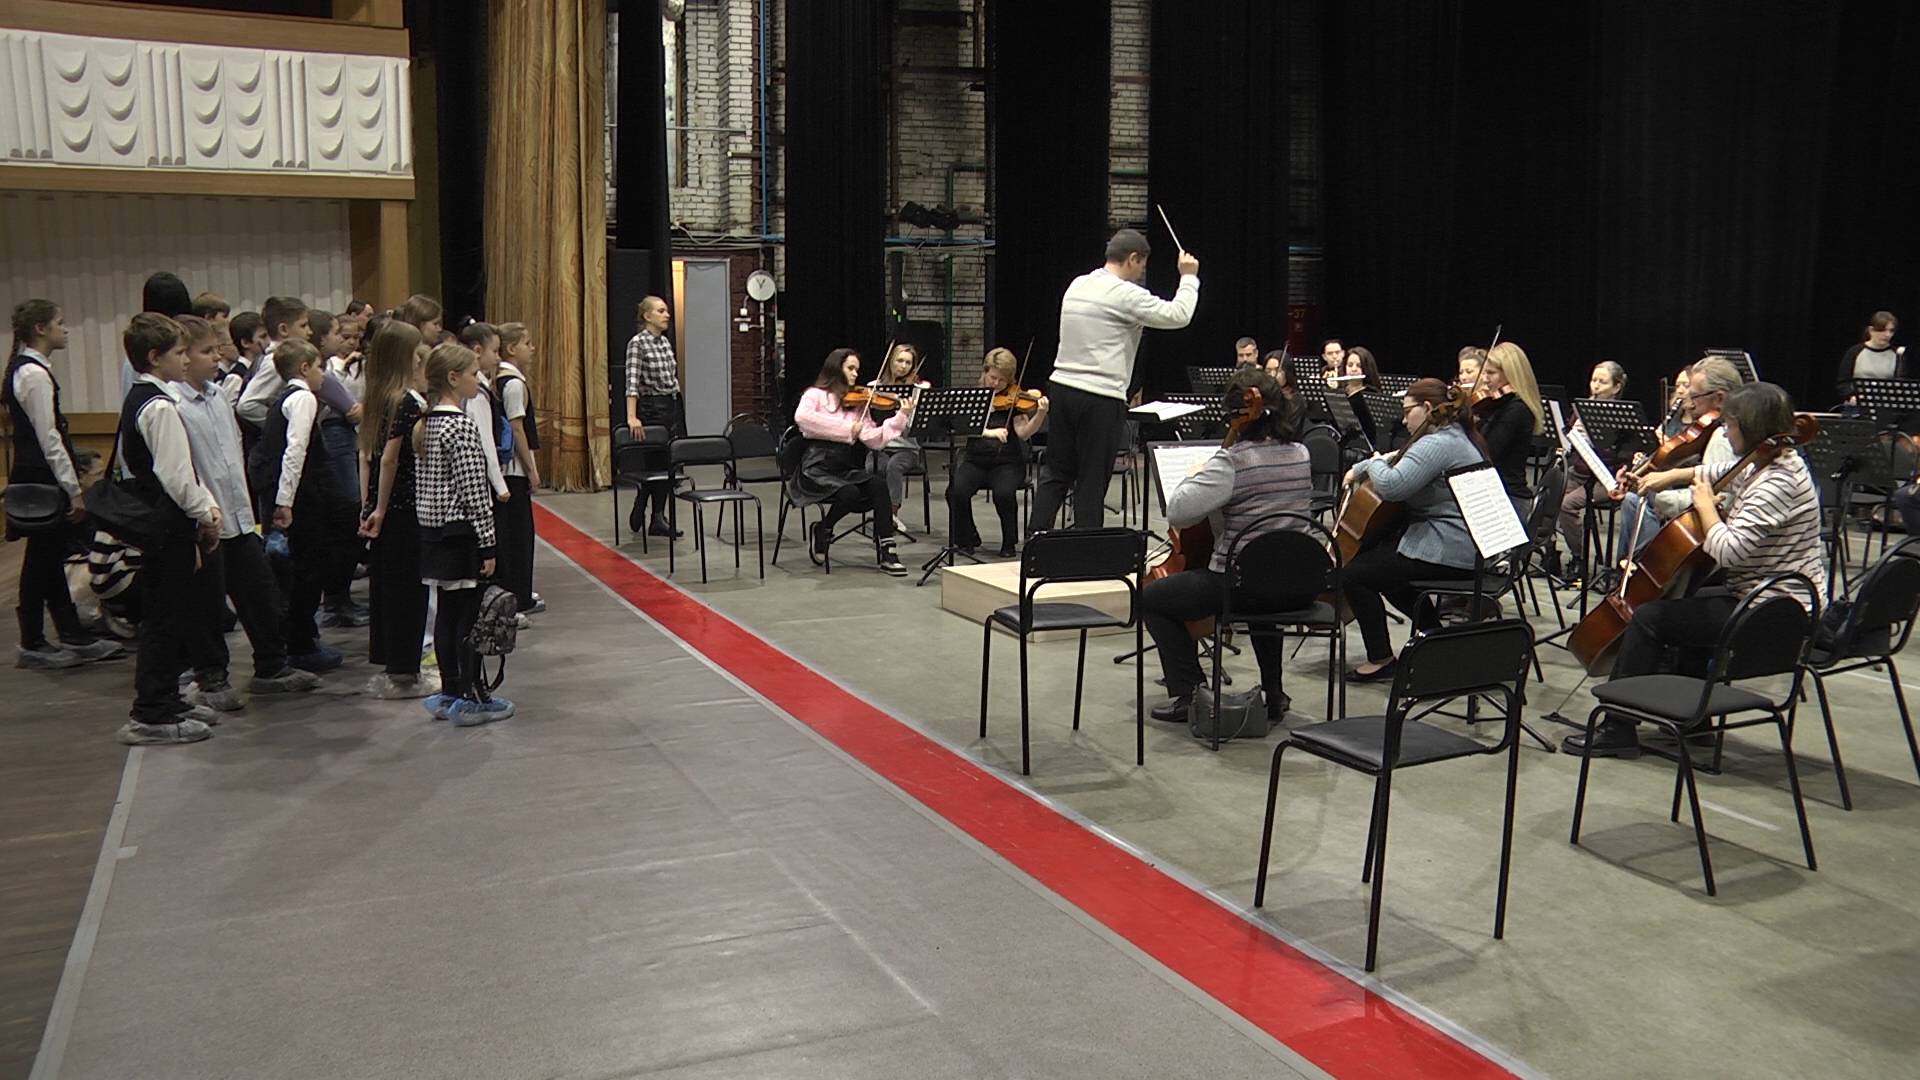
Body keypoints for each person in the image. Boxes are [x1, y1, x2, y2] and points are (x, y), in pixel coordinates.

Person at [1567, 382, 1825, 757]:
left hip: (1775, 611)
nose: (1725, 433)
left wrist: (1704, 506)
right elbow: (1721, 469)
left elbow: (1729, 552)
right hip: (1767, 596)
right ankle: (1694, 721)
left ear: (1751, 430)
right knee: (1690, 597)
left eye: (1730, 426)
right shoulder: (1771, 460)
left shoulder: (1777, 483)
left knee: (1650, 618)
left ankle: (1617, 727)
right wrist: (1666, 476)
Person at [1144, 367, 1316, 723]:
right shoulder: (1301, 454)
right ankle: (1273, 692)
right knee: (1267, 579)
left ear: (1236, 414)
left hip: (1242, 587)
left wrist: (1198, 473)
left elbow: (1178, 511)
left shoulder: (1232, 462)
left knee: (1152, 597)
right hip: (1298, 585)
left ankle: (1189, 694)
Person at [170, 315, 321, 709]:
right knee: (207, 604)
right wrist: (203, 509)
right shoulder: (173, 404)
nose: (216, 356)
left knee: (261, 593)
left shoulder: (219, 396)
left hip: (238, 514)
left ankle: (272, 665)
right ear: (183, 356)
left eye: (216, 348)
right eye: (205, 351)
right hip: (207, 518)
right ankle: (211, 677)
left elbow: (233, 452)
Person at [1028, 229, 1199, 534]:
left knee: (1056, 473)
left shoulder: (1078, 284)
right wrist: (1188, 277)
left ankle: (1035, 545)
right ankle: (1085, 549)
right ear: (1132, 259)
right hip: (1100, 397)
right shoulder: (1125, 294)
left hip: (1062, 389)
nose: (1141, 272)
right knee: (1091, 479)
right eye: (1142, 265)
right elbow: (1179, 315)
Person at [115, 313, 223, 745]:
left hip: (164, 522)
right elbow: (177, 476)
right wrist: (206, 514)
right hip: (167, 524)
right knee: (163, 618)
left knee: (174, 614)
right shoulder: (158, 407)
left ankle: (167, 698)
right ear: (155, 357)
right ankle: (152, 711)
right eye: (179, 353)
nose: (186, 359)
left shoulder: (145, 397)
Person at [1340, 378, 1486, 681]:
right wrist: (1372, 464)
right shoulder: (1454, 435)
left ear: (1427, 408)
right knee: (1384, 570)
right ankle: (1434, 639)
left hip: (1450, 548)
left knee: (1355, 574)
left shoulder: (1437, 444)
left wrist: (1371, 463)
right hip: (1466, 544)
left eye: (1408, 412)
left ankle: (1381, 658)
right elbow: (1401, 459)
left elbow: (1393, 486)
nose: (1404, 420)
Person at [5, 299, 124, 669]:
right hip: (43, 479)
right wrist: (73, 488)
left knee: (48, 556)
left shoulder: (30, 370)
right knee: (40, 561)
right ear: (40, 329)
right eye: (59, 322)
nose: (65, 329)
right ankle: (32, 640)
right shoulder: (33, 374)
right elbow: (49, 437)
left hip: (38, 476)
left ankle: (70, 631)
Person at [412, 343, 512, 726]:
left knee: (447, 615)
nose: (478, 380)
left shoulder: (427, 423)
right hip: (460, 534)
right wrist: (488, 543)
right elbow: (474, 493)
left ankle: (450, 690)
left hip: (433, 533)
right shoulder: (460, 426)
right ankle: (471, 694)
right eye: (472, 374)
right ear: (453, 378)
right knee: (469, 619)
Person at [249, 338, 355, 673]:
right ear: (304, 368)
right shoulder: (303, 399)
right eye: (320, 367)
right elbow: (295, 451)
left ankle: (298, 637)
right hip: (302, 497)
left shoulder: (285, 398)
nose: (324, 374)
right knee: (307, 570)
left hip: (291, 493)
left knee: (297, 570)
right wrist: (286, 501)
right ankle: (301, 644)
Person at [357, 320, 439, 699]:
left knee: (388, 587)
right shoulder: (406, 402)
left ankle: (394, 663)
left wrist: (369, 505)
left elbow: (366, 457)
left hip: (383, 507)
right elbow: (389, 459)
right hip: (404, 508)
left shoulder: (377, 398)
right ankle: (405, 671)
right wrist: (382, 507)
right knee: (408, 590)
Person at [793, 349, 919, 575]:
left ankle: (887, 550)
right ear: (835, 368)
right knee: (849, 493)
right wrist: (847, 428)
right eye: (850, 368)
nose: (855, 374)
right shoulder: (815, 395)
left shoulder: (858, 403)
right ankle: (824, 529)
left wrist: (901, 416)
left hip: (843, 465)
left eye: (857, 370)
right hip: (816, 466)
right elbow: (803, 418)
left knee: (878, 485)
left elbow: (873, 439)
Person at [1612, 357, 1740, 562]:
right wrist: (1643, 476)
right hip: (1702, 530)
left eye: (1694, 395)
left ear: (1719, 398)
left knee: (1639, 502)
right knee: (1633, 502)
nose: (1688, 400)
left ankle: (1639, 563)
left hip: (1710, 547)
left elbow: (1718, 501)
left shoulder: (1722, 438)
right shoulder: (1711, 429)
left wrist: (1658, 495)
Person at [948, 348, 1049, 557]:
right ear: (985, 372)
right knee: (955, 491)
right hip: (975, 460)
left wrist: (1040, 414)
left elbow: (1023, 433)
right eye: (992, 377)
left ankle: (1009, 542)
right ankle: (967, 537)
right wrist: (990, 432)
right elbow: (963, 427)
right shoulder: (973, 397)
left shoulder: (1015, 399)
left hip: (1007, 462)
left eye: (1002, 380)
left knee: (1003, 493)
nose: (995, 383)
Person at [1555, 360, 1627, 580]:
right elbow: (1567, 438)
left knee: (1566, 505)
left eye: (1602, 382)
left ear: (1616, 387)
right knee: (1548, 498)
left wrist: (1591, 441)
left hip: (1606, 479)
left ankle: (1579, 559)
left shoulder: (1621, 416)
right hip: (1579, 472)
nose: (1595, 386)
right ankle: (1551, 554)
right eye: (1593, 380)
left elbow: (1623, 455)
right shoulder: (1581, 409)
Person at [623, 295, 684, 538]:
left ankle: (657, 515)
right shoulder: (637, 344)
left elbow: (671, 378)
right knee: (655, 463)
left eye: (666, 310)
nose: (666, 315)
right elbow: (631, 382)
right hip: (652, 407)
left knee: (670, 463)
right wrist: (632, 416)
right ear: (647, 316)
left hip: (671, 405)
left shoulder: (665, 343)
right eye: (660, 311)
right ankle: (647, 506)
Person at [494, 322, 543, 614]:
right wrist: (531, 469)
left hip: (507, 469)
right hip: (512, 470)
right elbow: (517, 428)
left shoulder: (502, 380)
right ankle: (519, 596)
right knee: (519, 536)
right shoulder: (512, 383)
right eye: (527, 343)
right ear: (512, 349)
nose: (532, 348)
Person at [1475, 341, 1546, 512]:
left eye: (1491, 373)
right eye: (1484, 372)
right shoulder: (1498, 404)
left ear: (1511, 374)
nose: (1484, 379)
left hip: (1509, 498)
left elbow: (1487, 453)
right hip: (1493, 491)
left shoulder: (1517, 409)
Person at [872, 342, 931, 537]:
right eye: (899, 361)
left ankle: (892, 515)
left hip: (907, 449)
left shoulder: (917, 390)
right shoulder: (875, 387)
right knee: (874, 467)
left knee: (893, 467)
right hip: (880, 446)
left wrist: (908, 411)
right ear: (891, 361)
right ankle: (880, 513)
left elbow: (915, 428)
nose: (903, 366)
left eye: (908, 362)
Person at [1836, 310, 1903, 403]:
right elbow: (1843, 382)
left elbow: (1900, 384)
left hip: (1884, 405)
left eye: (1891, 331)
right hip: (1857, 404)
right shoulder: (1855, 351)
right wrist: (1851, 396)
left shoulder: (1897, 354)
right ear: (1871, 330)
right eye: (1882, 330)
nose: (1887, 334)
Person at [1334, 345, 1384, 445]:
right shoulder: (1340, 393)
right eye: (1350, 365)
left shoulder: (1371, 394)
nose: (1353, 369)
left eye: (1359, 366)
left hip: (1362, 445)